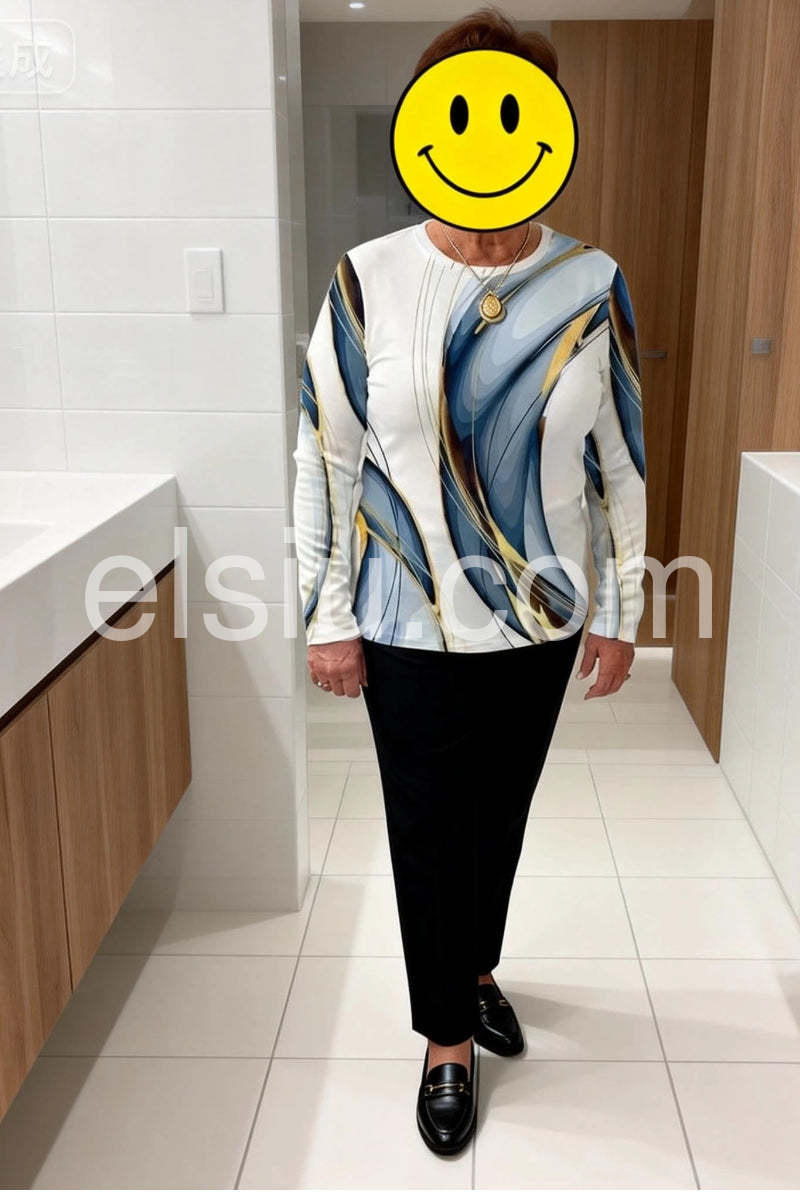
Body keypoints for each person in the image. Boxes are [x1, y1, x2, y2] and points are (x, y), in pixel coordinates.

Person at [292, 8, 646, 1157]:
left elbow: (619, 460)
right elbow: (324, 455)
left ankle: (475, 967)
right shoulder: (366, 279)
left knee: (498, 814)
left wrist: (622, 609)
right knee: (427, 825)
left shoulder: (589, 281)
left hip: (540, 620)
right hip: (404, 621)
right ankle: (445, 1037)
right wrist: (326, 614)